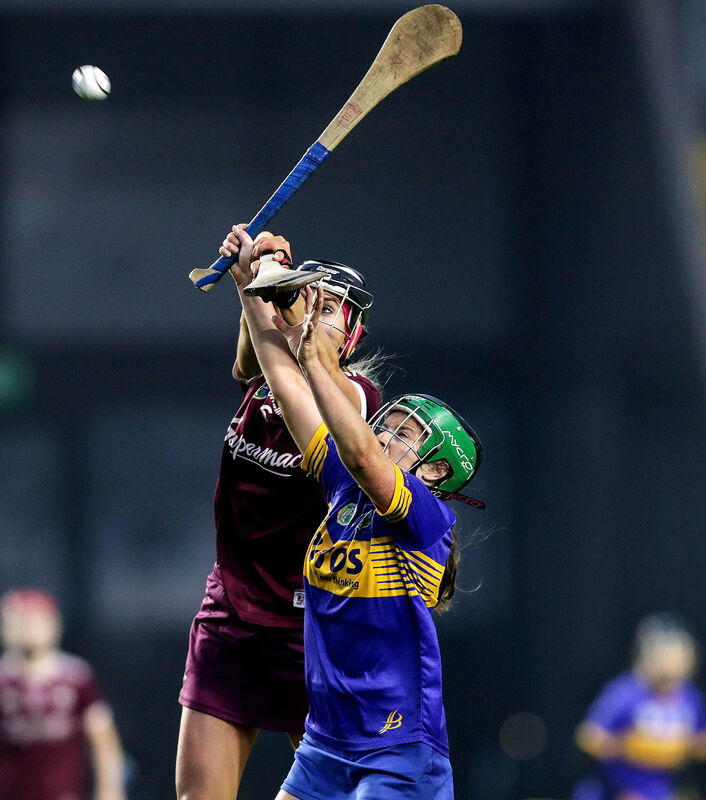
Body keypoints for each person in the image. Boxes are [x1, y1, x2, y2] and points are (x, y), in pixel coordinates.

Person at [225, 223, 484, 800]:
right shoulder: (343, 488)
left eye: (405, 435)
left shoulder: (426, 517)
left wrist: (316, 356)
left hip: (397, 748)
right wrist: (250, 287)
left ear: (435, 472)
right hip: (324, 744)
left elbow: (364, 455)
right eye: (387, 422)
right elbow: (281, 380)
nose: (384, 432)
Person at [175, 228, 382, 800]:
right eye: (304, 296)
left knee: (326, 795)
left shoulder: (357, 398)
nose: (309, 312)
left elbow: (295, 369)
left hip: (309, 628)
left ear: (352, 333)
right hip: (232, 613)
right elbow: (255, 360)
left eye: (327, 308)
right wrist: (253, 279)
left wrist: (268, 285)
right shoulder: (265, 375)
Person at [0, 588, 127, 800]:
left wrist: (110, 790)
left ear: (54, 625)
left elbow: (103, 740)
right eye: (21, 622)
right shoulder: (3, 682)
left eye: (36, 621)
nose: (29, 629)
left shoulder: (76, 677)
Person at [572, 613, 706, 800]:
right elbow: (588, 735)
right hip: (614, 790)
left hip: (659, 791)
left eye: (679, 658)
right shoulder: (626, 691)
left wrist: (678, 748)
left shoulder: (690, 697)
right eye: (666, 657)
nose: (672, 665)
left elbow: (699, 740)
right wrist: (627, 747)